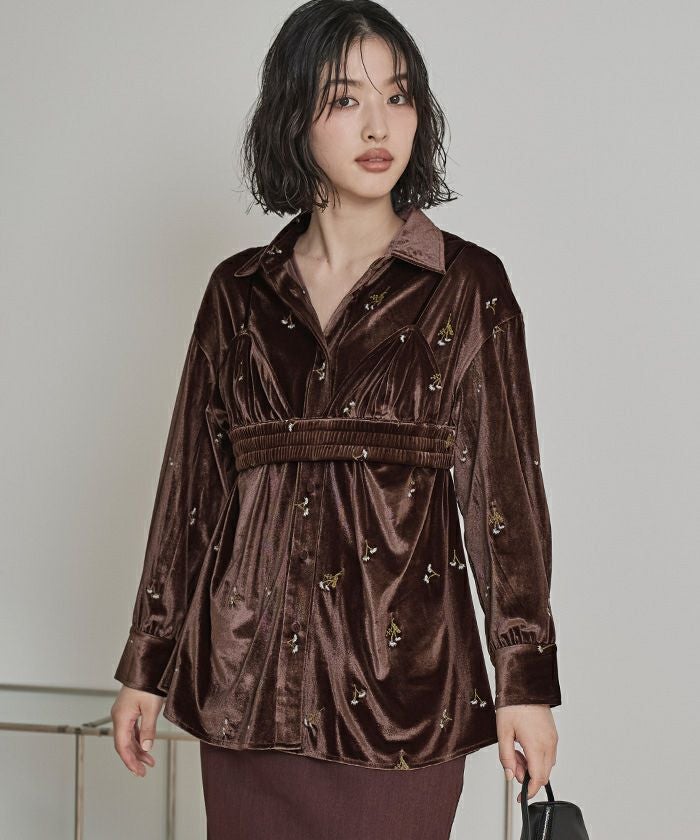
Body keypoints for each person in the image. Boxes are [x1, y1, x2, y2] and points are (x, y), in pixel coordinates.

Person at [110, 1, 561, 837]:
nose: (379, 124)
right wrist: (148, 660)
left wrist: (525, 681)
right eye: (345, 98)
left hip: (404, 698)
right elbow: (191, 491)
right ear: (294, 115)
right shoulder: (239, 293)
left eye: (399, 95)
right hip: (247, 691)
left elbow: (505, 500)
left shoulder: (469, 288)